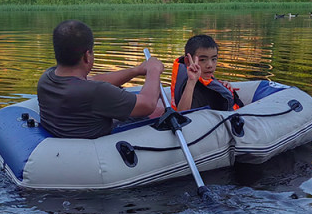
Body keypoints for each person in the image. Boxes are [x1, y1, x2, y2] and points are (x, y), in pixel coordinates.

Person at [37, 20, 165, 139]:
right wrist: (153, 69)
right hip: (99, 144)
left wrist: (135, 71)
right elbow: (147, 105)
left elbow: (92, 79)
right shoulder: (95, 92)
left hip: (66, 140)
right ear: (87, 56)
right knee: (159, 108)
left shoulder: (46, 78)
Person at [170, 34, 242, 112]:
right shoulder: (189, 85)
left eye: (214, 59)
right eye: (202, 60)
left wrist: (223, 86)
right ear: (187, 61)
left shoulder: (205, 77)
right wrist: (191, 81)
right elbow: (182, 113)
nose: (210, 65)